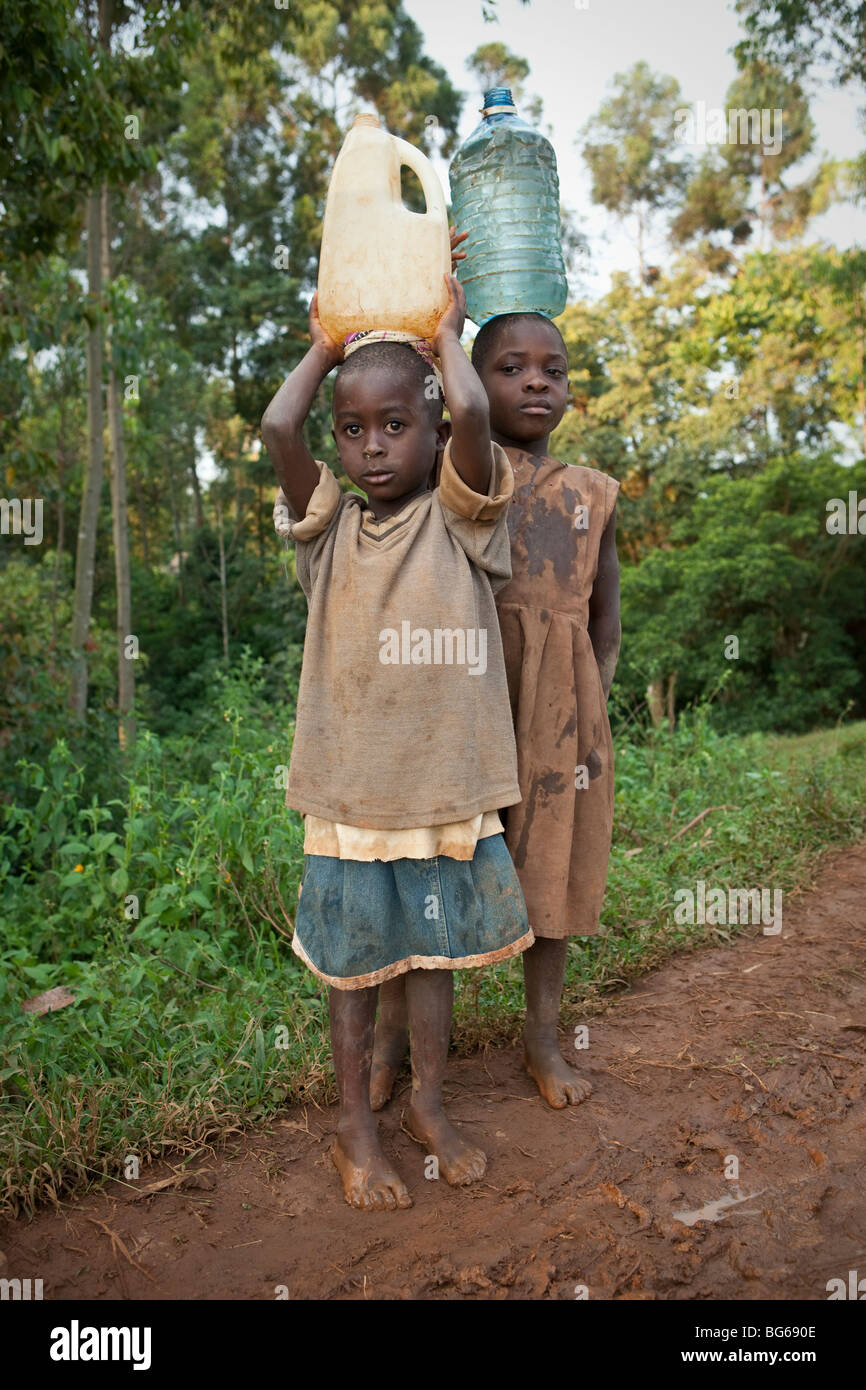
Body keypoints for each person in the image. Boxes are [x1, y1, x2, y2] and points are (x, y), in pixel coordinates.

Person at [261, 275, 533, 1210]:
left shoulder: (464, 518)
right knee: (354, 968)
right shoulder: (327, 529)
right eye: (355, 429)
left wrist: (443, 332)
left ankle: (427, 1104)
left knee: (433, 958)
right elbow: (276, 430)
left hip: (443, 789)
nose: (372, 447)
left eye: (393, 425)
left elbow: (464, 401)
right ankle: (353, 1130)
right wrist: (328, 345)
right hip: (352, 797)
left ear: (429, 434)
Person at [371, 309, 621, 1111]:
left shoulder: (593, 494)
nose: (537, 381)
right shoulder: (453, 465)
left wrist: (586, 713)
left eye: (554, 368)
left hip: (556, 725)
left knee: (550, 875)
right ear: (472, 385)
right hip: (458, 706)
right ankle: (389, 1046)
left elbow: (605, 623)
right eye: (510, 367)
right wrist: (428, 317)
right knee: (424, 869)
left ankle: (543, 1042)